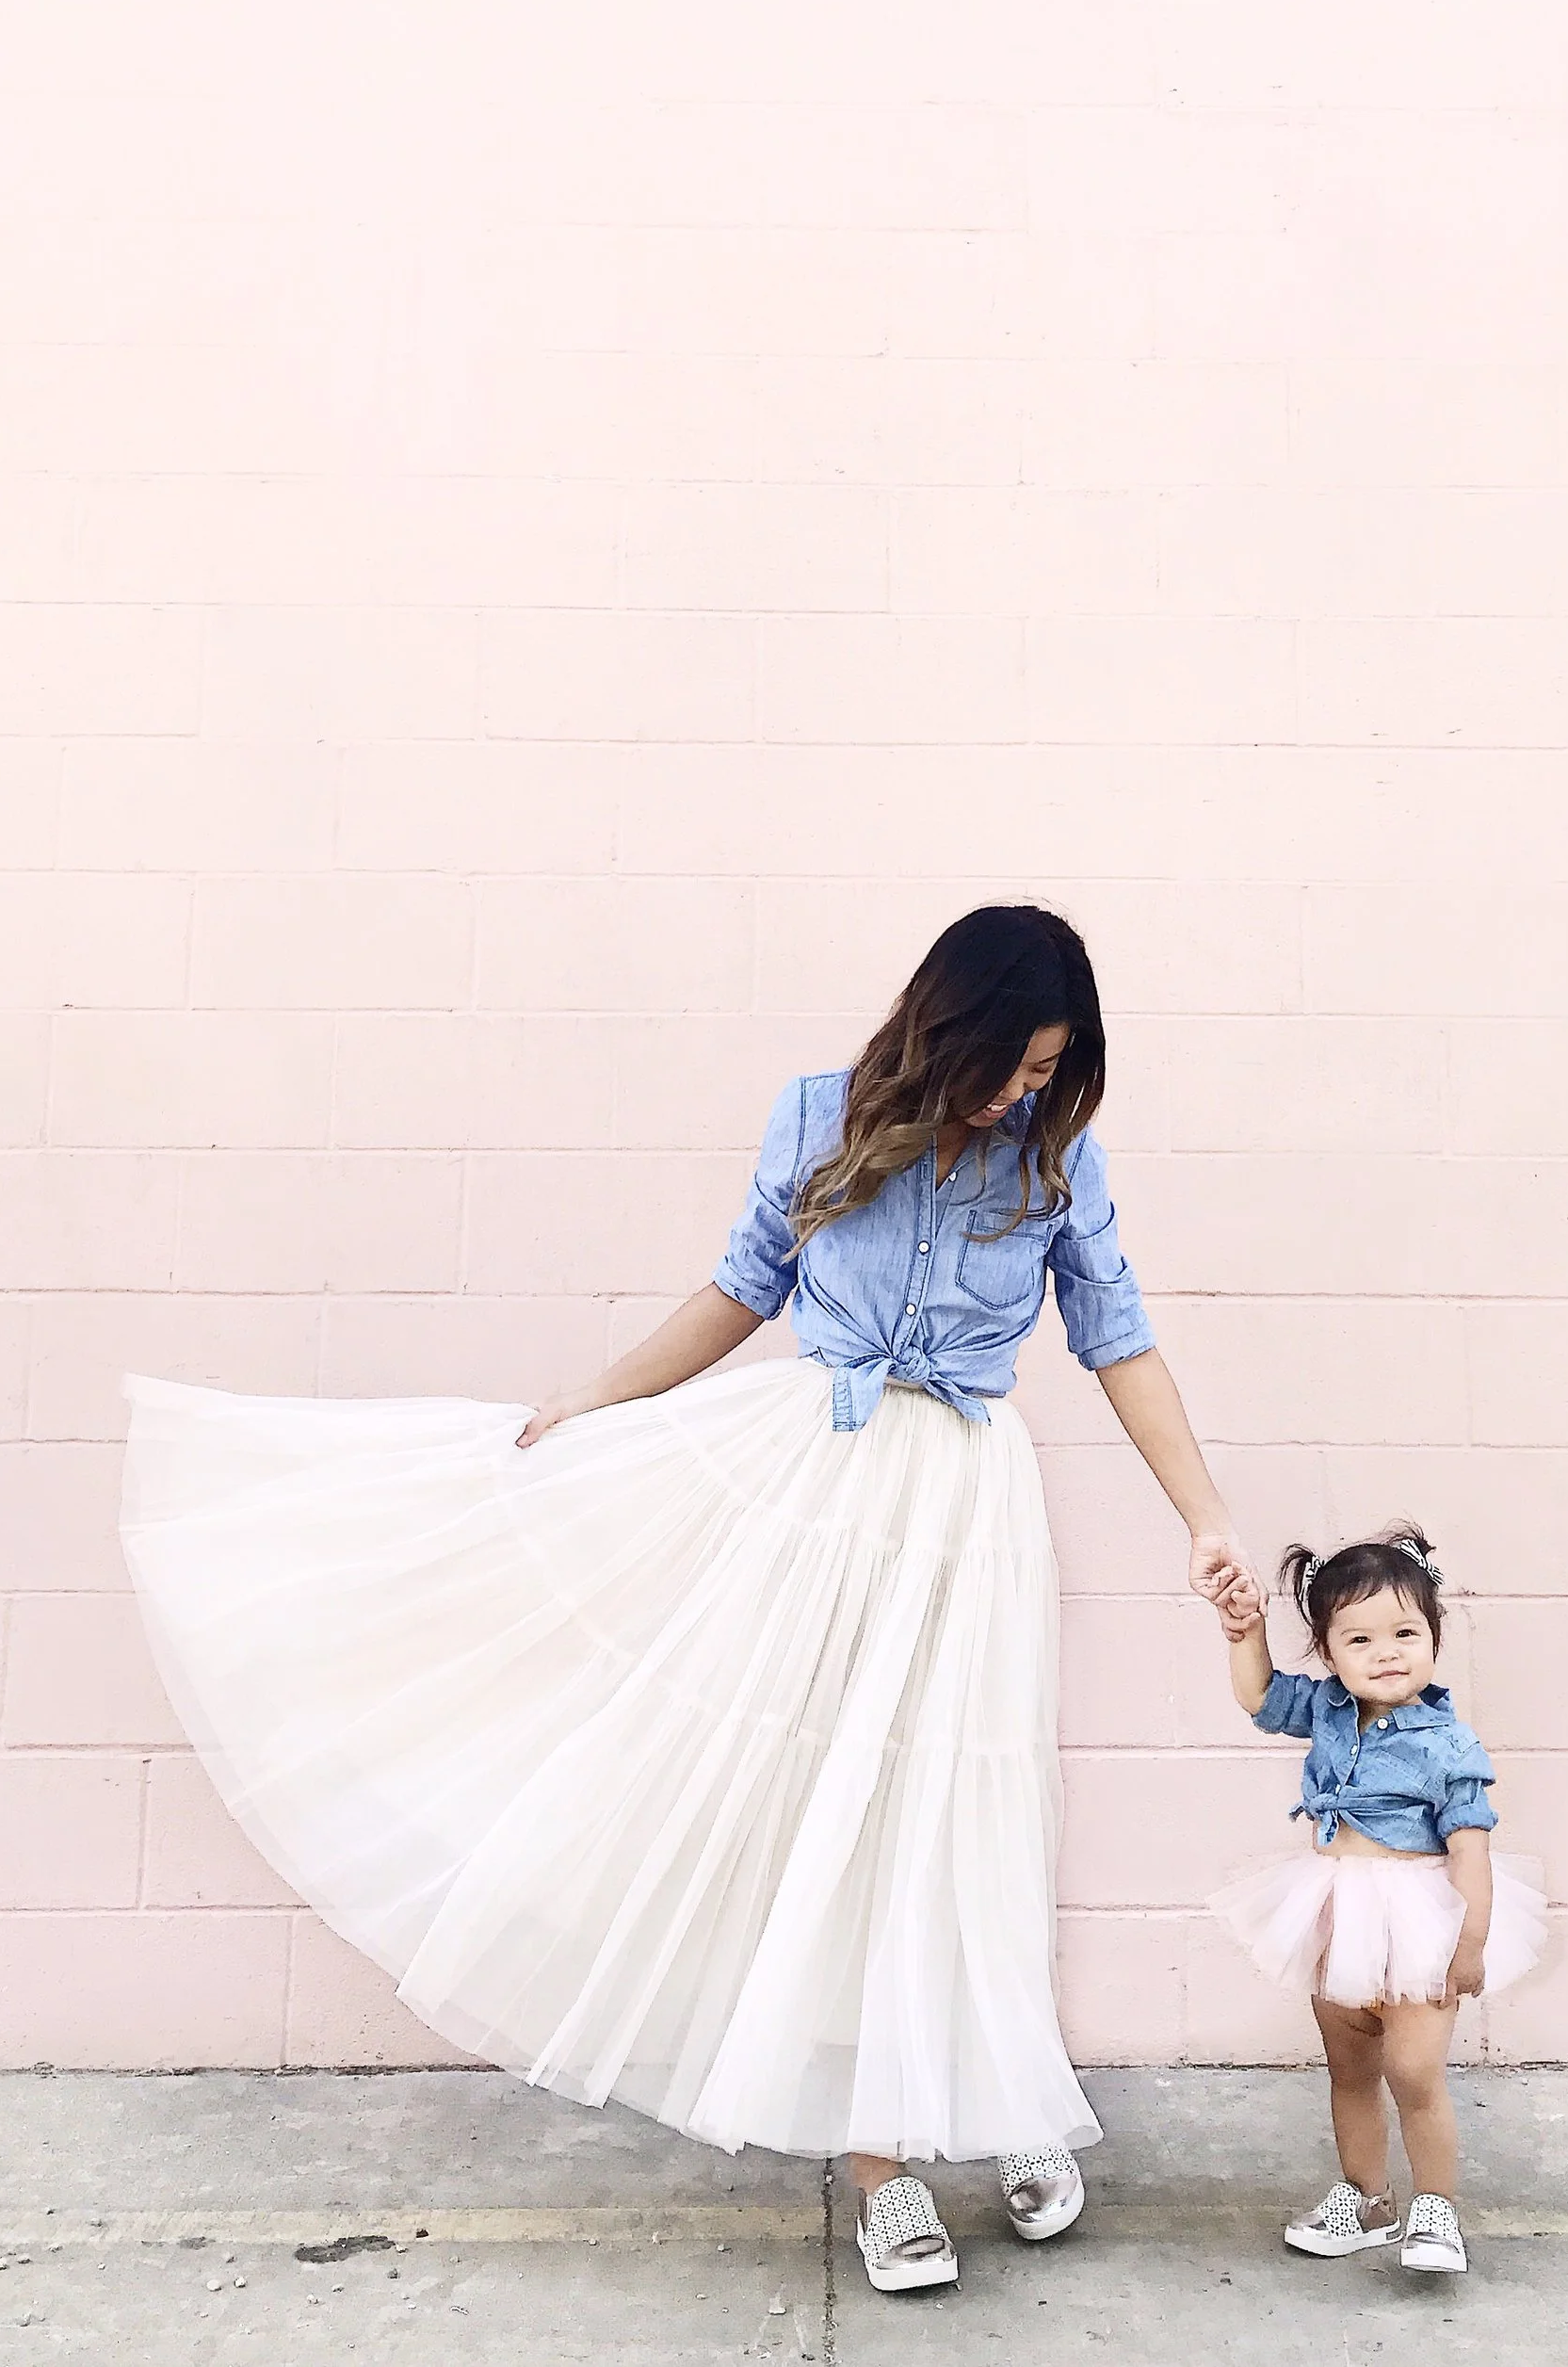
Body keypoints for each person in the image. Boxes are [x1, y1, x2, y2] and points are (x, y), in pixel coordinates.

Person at [121, 902, 1259, 2297]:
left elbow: (1119, 1339)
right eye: (1016, 1063)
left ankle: (1000, 2094)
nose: (1028, 1091)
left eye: (1047, 1070)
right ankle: (877, 2155)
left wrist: (1204, 1516)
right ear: (947, 1026)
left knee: (964, 1811)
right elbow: (740, 1291)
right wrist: (594, 1402)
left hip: (966, 1506)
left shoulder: (1056, 1163)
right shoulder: (818, 1118)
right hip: (818, 1480)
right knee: (823, 1817)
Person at [1208, 1528, 1547, 2278]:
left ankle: (1436, 2208)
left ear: (1433, 1635)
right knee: (1349, 2064)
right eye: (1358, 1638)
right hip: (1337, 1908)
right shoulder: (1328, 1709)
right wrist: (1246, 1632)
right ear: (1329, 1654)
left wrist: (1470, 1943)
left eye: (1405, 1632)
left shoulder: (1447, 1742)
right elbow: (1259, 1696)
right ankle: (1366, 2198)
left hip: (1421, 1919)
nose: (1386, 1651)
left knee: (1415, 2071)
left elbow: (1470, 1848)